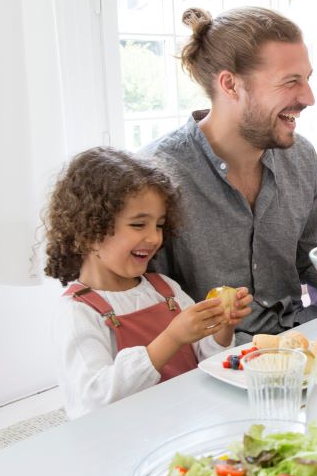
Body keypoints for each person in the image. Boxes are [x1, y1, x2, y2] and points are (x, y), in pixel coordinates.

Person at [146, 7, 317, 339]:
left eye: (307, 79)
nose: (309, 97)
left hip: (297, 341)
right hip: (207, 361)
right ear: (230, 84)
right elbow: (145, 304)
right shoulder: (159, 174)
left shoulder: (301, 157)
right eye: (291, 82)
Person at [45, 147, 253, 419]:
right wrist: (171, 338)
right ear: (90, 232)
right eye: (138, 225)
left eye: (159, 225)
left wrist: (222, 327)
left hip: (186, 419)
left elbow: (206, 357)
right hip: (127, 438)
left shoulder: (164, 289)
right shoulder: (78, 312)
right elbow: (96, 398)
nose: (155, 238)